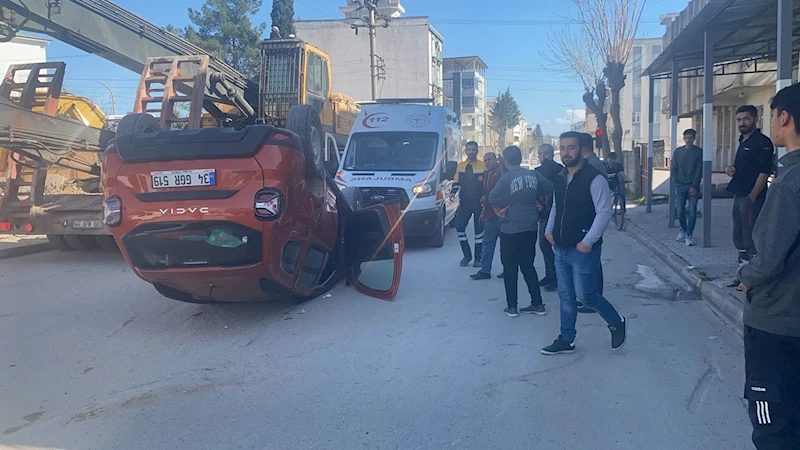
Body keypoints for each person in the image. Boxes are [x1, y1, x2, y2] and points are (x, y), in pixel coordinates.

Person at [736, 83, 800, 449]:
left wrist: (746, 276)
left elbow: (769, 259)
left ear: (784, 117)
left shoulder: (790, 182)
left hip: (778, 324)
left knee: (772, 424)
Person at [541, 131, 627, 354]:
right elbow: (556, 207)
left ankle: (616, 321)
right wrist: (549, 230)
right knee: (566, 296)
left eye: (571, 147)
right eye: (563, 148)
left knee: (586, 296)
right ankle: (566, 339)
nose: (566, 152)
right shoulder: (560, 177)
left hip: (583, 249)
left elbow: (604, 212)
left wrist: (588, 241)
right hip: (560, 247)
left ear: (581, 150)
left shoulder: (593, 177)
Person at [488, 146, 553, 317]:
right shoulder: (533, 174)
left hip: (510, 228)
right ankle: (538, 304)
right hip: (531, 226)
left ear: (506, 161)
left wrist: (498, 211)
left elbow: (492, 196)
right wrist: (540, 202)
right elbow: (550, 186)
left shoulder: (506, 178)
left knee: (509, 268)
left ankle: (512, 307)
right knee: (528, 266)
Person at [726, 105, 775, 289]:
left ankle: (752, 281)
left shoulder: (762, 142)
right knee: (738, 237)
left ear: (755, 119)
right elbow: (745, 169)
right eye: (739, 120)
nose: (742, 123)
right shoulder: (743, 141)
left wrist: (752, 198)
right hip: (738, 194)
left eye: (746, 119)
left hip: (751, 198)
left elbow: (763, 173)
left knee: (750, 240)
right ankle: (741, 277)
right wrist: (731, 171)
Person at [535, 144, 563, 291]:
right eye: (540, 153)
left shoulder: (559, 170)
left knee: (548, 245)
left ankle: (556, 277)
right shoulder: (537, 171)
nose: (542, 156)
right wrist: (537, 203)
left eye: (545, 153)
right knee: (543, 245)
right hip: (543, 213)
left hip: (556, 213)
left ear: (551, 154)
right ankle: (549, 275)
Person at [452, 141, 485, 267]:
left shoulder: (483, 166)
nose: (471, 152)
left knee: (479, 232)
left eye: (473, 149)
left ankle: (478, 258)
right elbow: (456, 181)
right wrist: (453, 192)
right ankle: (467, 256)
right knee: (459, 227)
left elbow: (487, 183)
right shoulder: (461, 166)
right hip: (465, 203)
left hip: (479, 204)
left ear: (477, 151)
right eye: (469, 149)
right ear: (465, 151)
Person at [471, 152, 502, 280]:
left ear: (496, 159)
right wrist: (484, 212)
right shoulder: (487, 173)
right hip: (489, 214)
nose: (487, 162)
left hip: (501, 215)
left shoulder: (501, 172)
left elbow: (500, 191)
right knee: (488, 244)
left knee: (505, 245)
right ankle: (485, 270)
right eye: (485, 160)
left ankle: (508, 269)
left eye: (489, 159)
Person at [671, 129, 703, 247]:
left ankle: (689, 235)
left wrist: (694, 185)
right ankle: (683, 230)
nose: (688, 140)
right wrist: (676, 182)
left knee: (692, 212)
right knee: (679, 211)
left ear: (694, 138)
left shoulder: (698, 152)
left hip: (693, 185)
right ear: (683, 138)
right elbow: (674, 167)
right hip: (680, 185)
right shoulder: (678, 152)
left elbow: (699, 170)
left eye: (690, 137)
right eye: (686, 137)